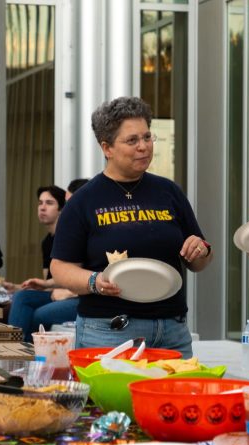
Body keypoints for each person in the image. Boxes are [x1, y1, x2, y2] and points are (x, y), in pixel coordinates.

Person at [50, 96, 213, 358]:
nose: (144, 147)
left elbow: (199, 260)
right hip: (108, 330)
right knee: (110, 400)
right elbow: (60, 267)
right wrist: (94, 281)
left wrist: (201, 250)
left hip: (172, 330)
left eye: (147, 137)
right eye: (132, 140)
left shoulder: (169, 191)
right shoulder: (84, 200)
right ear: (107, 148)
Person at [7, 186, 79, 341]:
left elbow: (81, 275)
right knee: (21, 296)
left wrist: (65, 291)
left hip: (80, 296)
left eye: (49, 203)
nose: (42, 207)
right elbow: (54, 281)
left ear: (61, 209)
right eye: (40, 203)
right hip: (60, 293)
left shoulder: (73, 236)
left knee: (35, 314)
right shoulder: (47, 241)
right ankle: (14, 351)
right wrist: (18, 286)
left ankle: (17, 353)